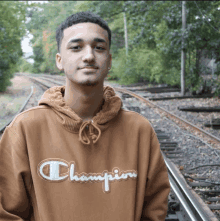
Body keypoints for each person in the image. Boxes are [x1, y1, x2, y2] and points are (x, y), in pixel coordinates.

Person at [0, 11, 170, 221]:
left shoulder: (139, 130)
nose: (89, 55)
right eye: (76, 47)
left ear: (108, 61)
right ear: (59, 60)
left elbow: (154, 209)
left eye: (99, 47)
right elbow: (7, 213)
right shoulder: (25, 129)